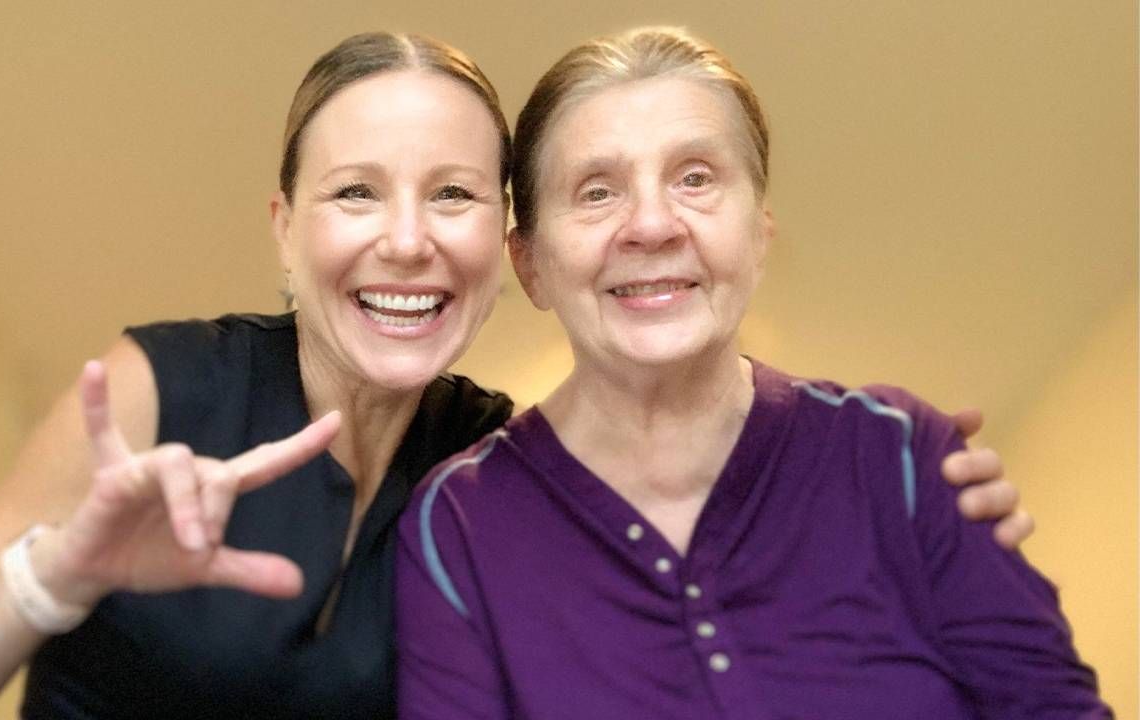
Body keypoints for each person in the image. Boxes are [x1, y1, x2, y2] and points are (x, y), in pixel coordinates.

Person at [0, 31, 1024, 720]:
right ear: (282, 226)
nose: (407, 241)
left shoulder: (496, 484)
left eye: (454, 194)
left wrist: (898, 507)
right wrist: (48, 580)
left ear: (511, 252)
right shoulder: (158, 390)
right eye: (355, 191)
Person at [396, 27, 1110, 719]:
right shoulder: (457, 526)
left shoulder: (898, 457)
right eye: (596, 191)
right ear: (530, 265)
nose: (653, 224)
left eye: (696, 178)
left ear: (759, 234)